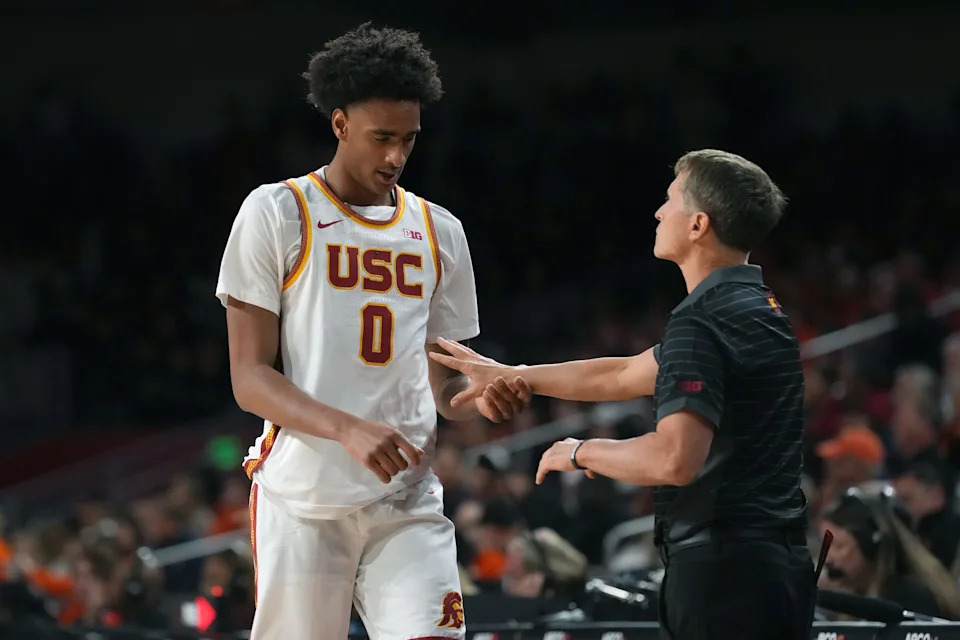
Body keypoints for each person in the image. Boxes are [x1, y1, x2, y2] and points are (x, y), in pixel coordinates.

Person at [215, 23, 530, 640]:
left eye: (408, 140)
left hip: (405, 499)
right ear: (339, 125)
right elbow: (249, 378)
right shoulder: (277, 211)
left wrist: (469, 400)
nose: (395, 156)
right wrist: (346, 428)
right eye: (381, 137)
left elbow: (444, 388)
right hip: (304, 500)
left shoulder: (440, 232)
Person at [432, 149, 816, 639]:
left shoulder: (703, 321)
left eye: (670, 200)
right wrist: (517, 374)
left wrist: (581, 451)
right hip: (774, 568)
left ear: (697, 225)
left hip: (723, 576)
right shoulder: (757, 306)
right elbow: (621, 375)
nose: (658, 212)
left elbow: (675, 459)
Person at [819, 486, 960, 619]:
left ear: (871, 546)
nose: (827, 559)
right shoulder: (852, 598)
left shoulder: (911, 600)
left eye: (838, 546)